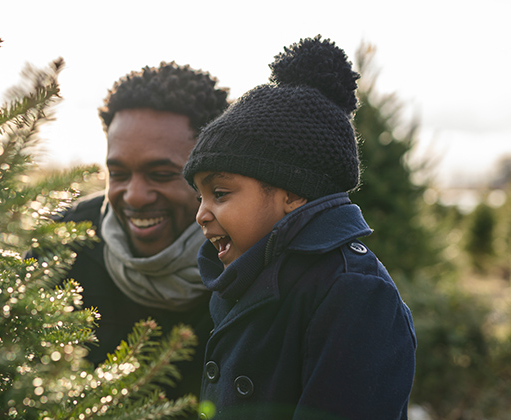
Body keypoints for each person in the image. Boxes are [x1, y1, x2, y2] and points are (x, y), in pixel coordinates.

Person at [182, 36, 416, 419]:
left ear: (292, 192)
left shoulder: (353, 293)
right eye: (199, 197)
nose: (201, 214)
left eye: (220, 193)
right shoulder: (246, 275)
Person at [57, 62, 229, 399]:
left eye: (162, 174)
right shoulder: (64, 247)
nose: (134, 195)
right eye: (118, 174)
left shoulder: (252, 258)